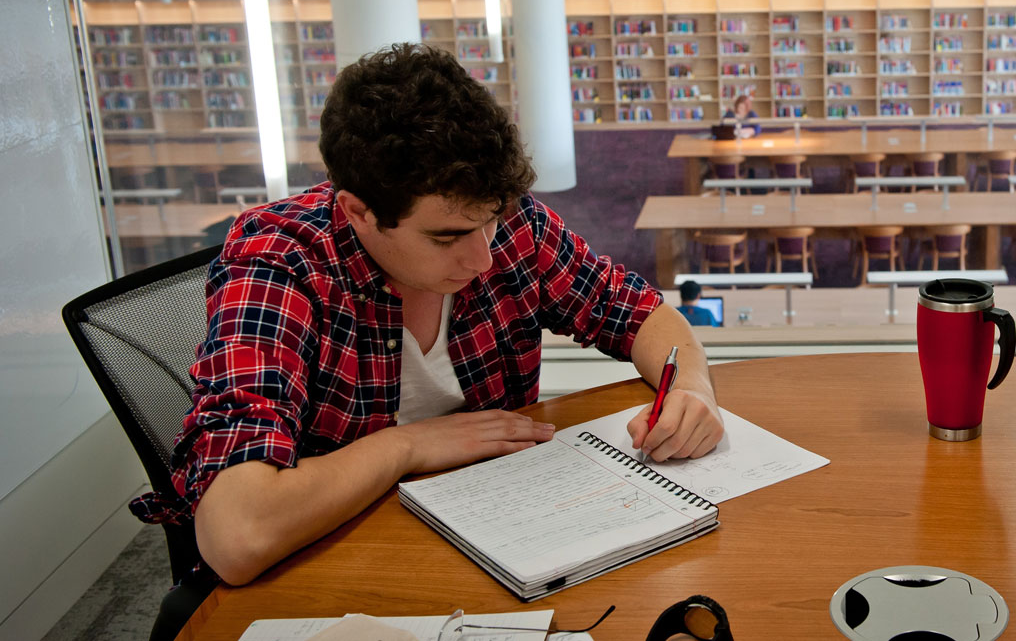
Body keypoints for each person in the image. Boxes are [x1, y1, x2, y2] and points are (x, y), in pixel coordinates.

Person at [129, 44, 725, 586]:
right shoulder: (278, 263)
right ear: (360, 212)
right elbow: (238, 534)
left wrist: (693, 389)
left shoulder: (506, 222)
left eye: (491, 220)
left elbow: (642, 315)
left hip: (506, 531)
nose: (484, 254)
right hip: (343, 561)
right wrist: (405, 447)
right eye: (447, 238)